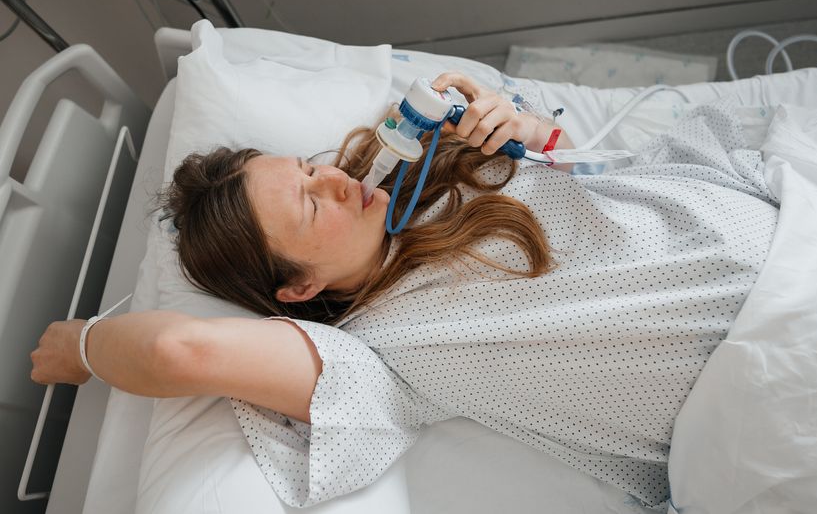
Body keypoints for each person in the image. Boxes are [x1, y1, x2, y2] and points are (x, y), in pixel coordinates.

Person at [30, 72, 779, 508]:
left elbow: (597, 176)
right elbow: (178, 349)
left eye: (309, 169)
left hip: (788, 224)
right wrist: (80, 346)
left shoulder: (441, 167)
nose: (334, 179)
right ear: (298, 288)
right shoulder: (371, 355)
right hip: (767, 376)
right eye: (310, 206)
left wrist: (519, 125)